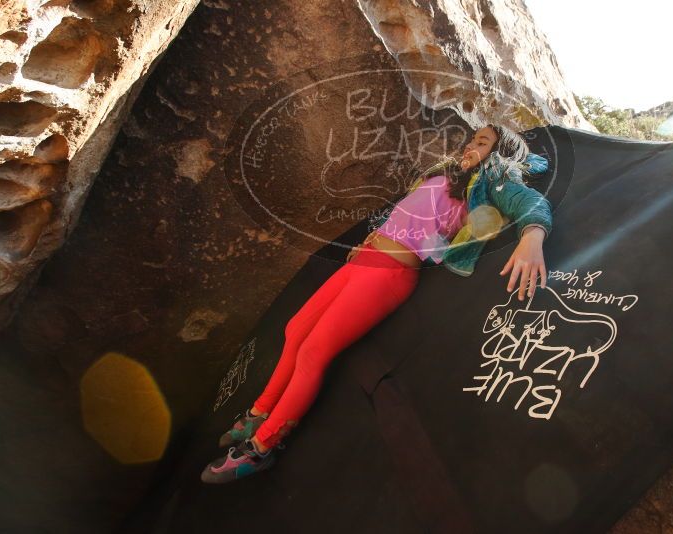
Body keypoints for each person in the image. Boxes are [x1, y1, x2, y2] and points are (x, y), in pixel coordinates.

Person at [201, 123, 553, 483]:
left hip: (388, 275)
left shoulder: (490, 185)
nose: (469, 146)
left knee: (313, 352)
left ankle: (262, 447)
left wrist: (533, 238)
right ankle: (260, 412)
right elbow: (409, 215)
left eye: (482, 142)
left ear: (499, 156)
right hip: (364, 261)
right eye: (472, 139)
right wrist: (378, 234)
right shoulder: (445, 176)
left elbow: (532, 204)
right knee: (295, 331)